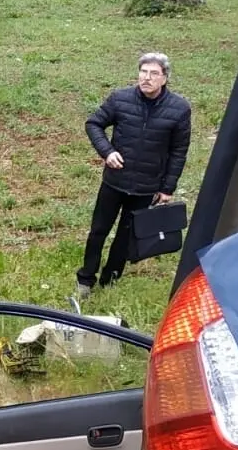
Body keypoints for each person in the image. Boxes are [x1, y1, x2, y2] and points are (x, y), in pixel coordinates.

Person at [76, 52, 192, 299]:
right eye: (143, 72)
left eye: (153, 73)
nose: (146, 78)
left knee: (126, 236)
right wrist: (107, 152)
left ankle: (110, 279)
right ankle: (86, 279)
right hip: (115, 181)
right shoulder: (120, 99)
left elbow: (179, 151)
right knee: (98, 230)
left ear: (165, 79)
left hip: (146, 186)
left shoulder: (179, 109)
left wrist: (168, 188)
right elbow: (93, 123)